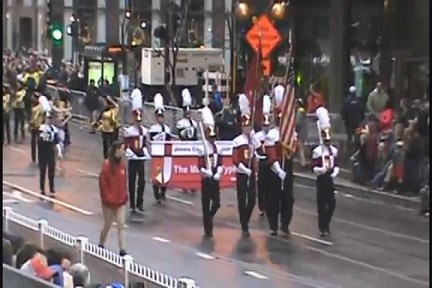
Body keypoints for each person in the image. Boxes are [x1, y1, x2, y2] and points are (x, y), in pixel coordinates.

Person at [265, 107, 296, 237]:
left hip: (287, 167)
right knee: (273, 199)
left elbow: (294, 149)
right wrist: (278, 170)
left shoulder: (290, 134)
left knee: (288, 199)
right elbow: (271, 155)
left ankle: (285, 224)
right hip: (275, 170)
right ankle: (273, 226)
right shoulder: (272, 134)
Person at [232, 94, 259, 237]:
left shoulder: (252, 140)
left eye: (249, 126)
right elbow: (235, 160)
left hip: (251, 172)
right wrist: (245, 170)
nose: (247, 128)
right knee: (242, 199)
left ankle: (246, 220)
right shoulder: (237, 141)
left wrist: (253, 139)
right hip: (242, 173)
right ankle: (244, 225)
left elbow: (259, 151)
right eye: (245, 126)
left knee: (253, 199)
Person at [98, 141, 128, 256]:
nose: (124, 151)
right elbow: (103, 183)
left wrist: (125, 195)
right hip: (109, 202)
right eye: (122, 149)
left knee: (121, 225)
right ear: (117, 150)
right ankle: (101, 243)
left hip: (120, 201)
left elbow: (124, 182)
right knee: (108, 224)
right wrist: (106, 198)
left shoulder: (122, 166)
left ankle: (122, 249)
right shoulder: (107, 165)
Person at [123, 89, 150, 214]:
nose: (139, 122)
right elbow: (126, 145)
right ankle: (133, 204)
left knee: (142, 182)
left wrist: (145, 152)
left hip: (140, 158)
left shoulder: (144, 131)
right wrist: (131, 153)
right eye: (137, 120)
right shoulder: (129, 131)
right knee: (132, 181)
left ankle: (140, 203)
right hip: (133, 158)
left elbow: (144, 144)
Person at [311, 129, 339, 238]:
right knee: (322, 204)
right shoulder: (317, 151)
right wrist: (321, 170)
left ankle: (327, 223)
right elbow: (313, 167)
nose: (328, 143)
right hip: (321, 179)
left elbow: (336, 164)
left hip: (330, 179)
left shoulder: (334, 151)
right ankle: (322, 227)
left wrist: (335, 172)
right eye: (326, 140)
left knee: (332, 203)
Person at [198, 107, 222, 237]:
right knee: (206, 205)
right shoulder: (203, 149)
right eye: (211, 137)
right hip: (206, 180)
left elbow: (220, 163)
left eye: (214, 137)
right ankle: (208, 229)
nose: (212, 139)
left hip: (215, 179)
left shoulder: (216, 148)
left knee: (217, 203)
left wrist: (218, 172)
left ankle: (209, 217)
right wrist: (207, 173)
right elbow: (200, 166)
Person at [149, 93, 174, 203]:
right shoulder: (153, 128)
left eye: (162, 116)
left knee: (166, 174)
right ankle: (157, 194)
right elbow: (151, 140)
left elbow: (169, 141)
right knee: (157, 174)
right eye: (159, 116)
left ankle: (163, 193)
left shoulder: (167, 129)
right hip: (157, 155)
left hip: (165, 155)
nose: (160, 118)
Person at [38, 97, 63, 197]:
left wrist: (59, 151)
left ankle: (52, 187)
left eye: (51, 119)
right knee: (43, 170)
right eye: (49, 119)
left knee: (51, 170)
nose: (50, 120)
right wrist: (47, 133)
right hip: (42, 151)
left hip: (50, 151)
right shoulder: (42, 128)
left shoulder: (54, 129)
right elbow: (41, 139)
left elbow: (56, 141)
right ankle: (42, 188)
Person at [253, 95, 271, 216]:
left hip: (270, 161)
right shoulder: (257, 136)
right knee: (261, 185)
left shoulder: (273, 135)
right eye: (264, 125)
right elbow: (254, 149)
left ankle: (268, 205)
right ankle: (261, 206)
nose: (266, 127)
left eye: (267, 125)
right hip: (260, 161)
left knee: (269, 186)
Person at [29, 91, 44, 163]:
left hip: (39, 127)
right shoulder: (33, 105)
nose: (32, 98)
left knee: (40, 143)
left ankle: (40, 158)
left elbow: (34, 117)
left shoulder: (39, 107)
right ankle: (33, 158)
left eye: (33, 97)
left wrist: (31, 123)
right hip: (34, 127)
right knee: (33, 143)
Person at [12, 78, 26, 143]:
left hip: (21, 108)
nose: (18, 85)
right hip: (15, 108)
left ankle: (23, 136)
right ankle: (15, 137)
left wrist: (16, 98)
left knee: (22, 122)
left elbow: (20, 100)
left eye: (19, 84)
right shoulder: (15, 91)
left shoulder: (23, 91)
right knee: (16, 122)